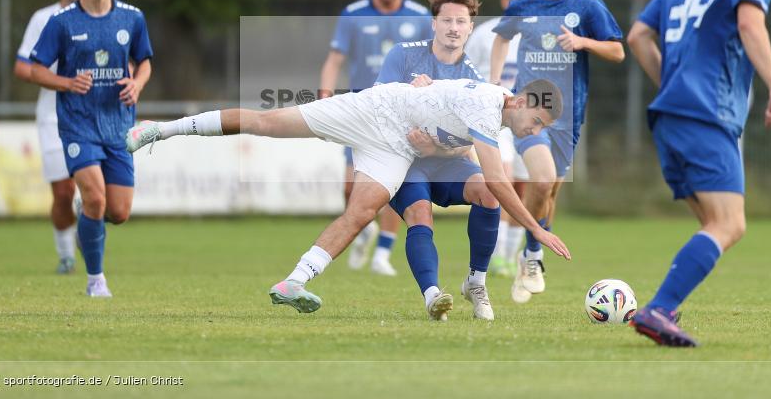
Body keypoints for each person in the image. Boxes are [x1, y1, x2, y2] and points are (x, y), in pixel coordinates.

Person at [127, 75, 572, 316]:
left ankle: (293, 282)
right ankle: (159, 130)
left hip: (394, 146)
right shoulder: (489, 105)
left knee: (362, 212)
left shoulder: (493, 110)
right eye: (536, 122)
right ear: (522, 101)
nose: (534, 132)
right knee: (267, 123)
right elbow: (495, 180)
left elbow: (441, 102)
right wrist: (536, 230)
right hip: (371, 111)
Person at [626, 0, 771, 347]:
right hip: (707, 114)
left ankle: (666, 308)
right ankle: (657, 309)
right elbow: (750, 25)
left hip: (670, 117)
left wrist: (671, 85)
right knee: (729, 224)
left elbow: (638, 35)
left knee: (714, 223)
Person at [490, 0, 625, 303]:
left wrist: (584, 43)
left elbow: (617, 51)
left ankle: (530, 253)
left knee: (548, 189)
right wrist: (495, 83)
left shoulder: (588, 6)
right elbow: (501, 38)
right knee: (544, 176)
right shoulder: (521, 5)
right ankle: (532, 256)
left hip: (570, 116)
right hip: (528, 111)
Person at [30, 0, 154, 297]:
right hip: (78, 125)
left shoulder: (132, 18)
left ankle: (87, 213)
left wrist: (137, 83)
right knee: (97, 200)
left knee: (118, 211)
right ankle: (95, 280)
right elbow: (36, 69)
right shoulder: (62, 22)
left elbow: (144, 62)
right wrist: (67, 83)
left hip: (118, 126)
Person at [375, 0, 502, 320]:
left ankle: (476, 283)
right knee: (419, 213)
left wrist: (437, 147)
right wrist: (409, 94)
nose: (453, 27)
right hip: (405, 159)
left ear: (471, 27)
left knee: (489, 193)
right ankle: (433, 296)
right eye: (446, 20)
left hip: (447, 161)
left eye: (461, 21)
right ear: (433, 23)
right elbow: (376, 108)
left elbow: (469, 142)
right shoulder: (403, 56)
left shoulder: (472, 78)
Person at [319, 0, 432, 276]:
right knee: (350, 187)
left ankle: (382, 254)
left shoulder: (419, 16)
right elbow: (334, 59)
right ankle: (362, 228)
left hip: (402, 114)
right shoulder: (354, 14)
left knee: (393, 185)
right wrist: (325, 96)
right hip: (361, 113)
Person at [14, 0, 80, 274]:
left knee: (97, 189)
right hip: (53, 115)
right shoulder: (44, 19)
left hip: (93, 113)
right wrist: (58, 80)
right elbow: (22, 66)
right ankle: (66, 254)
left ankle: (89, 226)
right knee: (64, 191)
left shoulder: (102, 16)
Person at [464, 0, 534, 278]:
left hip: (528, 122)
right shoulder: (483, 35)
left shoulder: (539, 35)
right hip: (494, 119)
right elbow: (467, 73)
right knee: (501, 176)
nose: (516, 2)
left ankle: (510, 252)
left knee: (525, 185)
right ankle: (496, 255)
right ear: (503, 1)